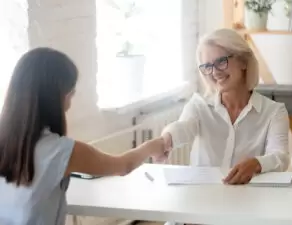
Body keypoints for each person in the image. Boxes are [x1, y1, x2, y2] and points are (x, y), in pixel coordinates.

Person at [0, 47, 169, 225]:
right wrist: (151, 146)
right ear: (55, 98)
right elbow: (123, 165)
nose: (69, 104)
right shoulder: (60, 151)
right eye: (70, 95)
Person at [161, 28, 290, 186]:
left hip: (250, 202)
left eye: (221, 61)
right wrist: (165, 139)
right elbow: (182, 128)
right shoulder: (199, 106)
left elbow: (281, 157)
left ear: (243, 61)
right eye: (207, 66)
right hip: (203, 201)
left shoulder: (274, 112)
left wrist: (256, 163)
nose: (215, 72)